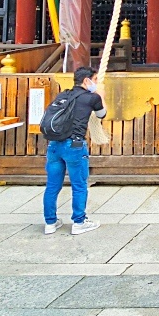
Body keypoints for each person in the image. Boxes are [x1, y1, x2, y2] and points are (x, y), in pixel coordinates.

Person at [42, 65, 105, 236]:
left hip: (54, 145)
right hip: (75, 146)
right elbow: (102, 114)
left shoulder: (63, 95)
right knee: (79, 185)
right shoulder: (92, 98)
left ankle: (50, 222)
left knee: (52, 186)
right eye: (96, 79)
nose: (96, 83)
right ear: (87, 80)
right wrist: (102, 96)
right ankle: (79, 221)